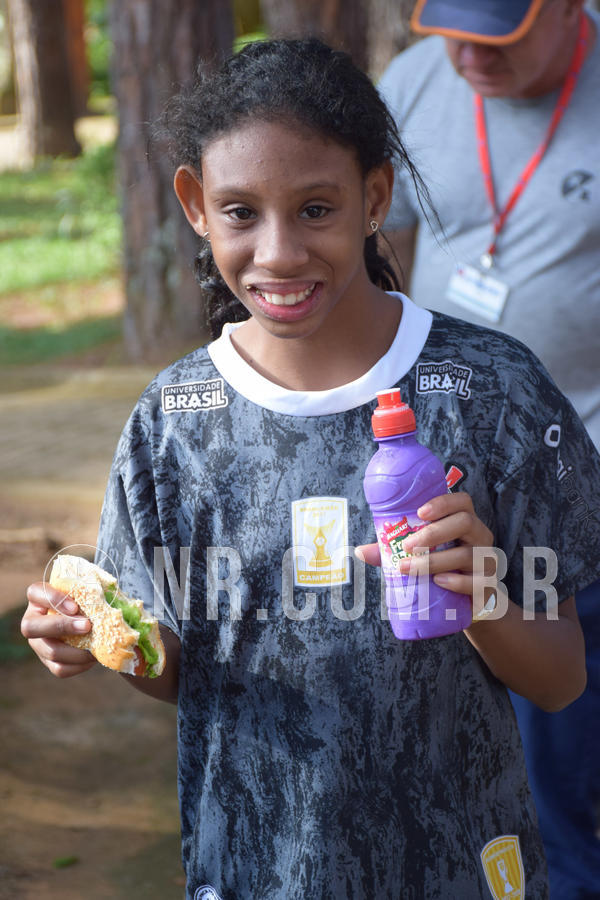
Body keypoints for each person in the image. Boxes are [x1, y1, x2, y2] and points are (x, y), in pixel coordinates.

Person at [20, 38, 600, 900]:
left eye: (317, 209)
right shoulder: (172, 425)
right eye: (241, 212)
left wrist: (478, 590)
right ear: (194, 205)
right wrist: (108, 644)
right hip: (255, 872)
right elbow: (186, 668)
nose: (280, 252)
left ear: (375, 197)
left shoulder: (490, 390)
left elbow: (562, 682)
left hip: (461, 870)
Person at [378, 2, 600, 896]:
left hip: (575, 469)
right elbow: (370, 237)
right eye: (451, 25)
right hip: (436, 467)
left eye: (498, 34)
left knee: (559, 749)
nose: (468, 54)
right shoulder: (417, 81)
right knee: (446, 728)